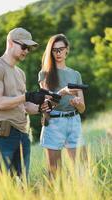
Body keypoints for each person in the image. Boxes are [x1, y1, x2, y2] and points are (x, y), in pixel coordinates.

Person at [0, 27, 49, 180]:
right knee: (0, 186)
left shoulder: (20, 73)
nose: (26, 51)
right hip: (3, 135)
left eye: (29, 49)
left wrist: (41, 106)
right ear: (11, 43)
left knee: (21, 184)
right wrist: (26, 96)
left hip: (23, 134)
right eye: (23, 46)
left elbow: (23, 106)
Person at [38, 34, 86, 177]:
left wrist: (78, 104)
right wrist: (62, 92)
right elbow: (47, 106)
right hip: (54, 122)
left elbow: (83, 108)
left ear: (67, 50)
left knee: (82, 170)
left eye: (61, 49)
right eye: (54, 50)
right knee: (55, 173)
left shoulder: (75, 74)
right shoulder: (45, 74)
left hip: (74, 121)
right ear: (50, 52)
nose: (58, 53)